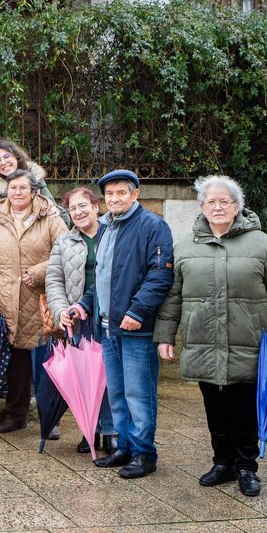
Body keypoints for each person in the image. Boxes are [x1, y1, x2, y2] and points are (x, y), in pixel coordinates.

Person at [155, 175, 267, 497]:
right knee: (214, 406)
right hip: (203, 340)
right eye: (211, 202)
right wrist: (165, 336)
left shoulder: (263, 245)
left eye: (225, 201)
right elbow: (173, 296)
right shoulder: (187, 246)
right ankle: (222, 462)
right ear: (202, 206)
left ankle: (247, 466)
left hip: (249, 343)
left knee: (244, 408)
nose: (218, 207)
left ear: (237, 206)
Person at [62, 169, 174, 480]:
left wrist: (138, 311)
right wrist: (84, 305)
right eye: (110, 194)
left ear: (135, 194)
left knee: (139, 393)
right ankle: (124, 446)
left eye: (121, 193)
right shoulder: (107, 228)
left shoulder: (153, 226)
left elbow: (160, 275)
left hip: (136, 328)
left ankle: (144, 454)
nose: (115, 199)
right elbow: (102, 278)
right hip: (107, 328)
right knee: (118, 393)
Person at [0, 169, 68, 433]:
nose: (17, 193)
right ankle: (15, 414)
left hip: (40, 299)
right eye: (13, 188)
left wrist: (40, 271)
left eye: (23, 188)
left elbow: (66, 251)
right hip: (6, 299)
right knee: (14, 361)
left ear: (33, 191)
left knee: (45, 360)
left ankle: (50, 417)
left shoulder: (49, 217)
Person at [45, 186, 116, 454]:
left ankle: (110, 430)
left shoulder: (113, 235)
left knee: (107, 375)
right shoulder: (65, 241)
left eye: (82, 206)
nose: (78, 212)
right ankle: (90, 429)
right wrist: (61, 310)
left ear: (96, 207)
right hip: (78, 319)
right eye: (72, 208)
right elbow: (54, 280)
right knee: (85, 378)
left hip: (107, 315)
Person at [0, 138, 62, 236]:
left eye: (6, 156)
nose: (3, 162)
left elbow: (63, 221)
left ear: (16, 157)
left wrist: (56, 211)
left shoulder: (37, 183)